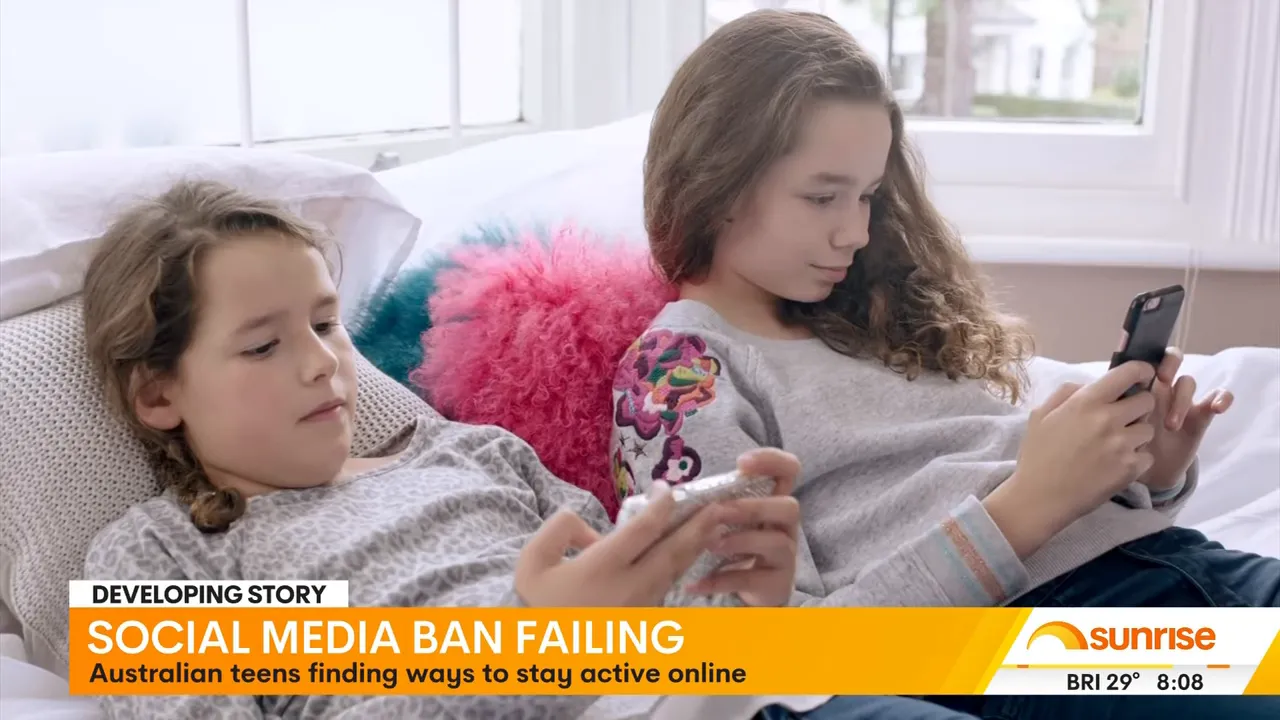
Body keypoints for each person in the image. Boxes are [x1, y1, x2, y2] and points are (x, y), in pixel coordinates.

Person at [79, 180, 981, 720]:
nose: (322, 364)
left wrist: (733, 591)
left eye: (324, 324)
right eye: (262, 345)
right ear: (158, 394)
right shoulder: (163, 555)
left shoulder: (474, 454)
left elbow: (639, 619)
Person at [609, 10, 1280, 719]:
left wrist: (1150, 474)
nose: (855, 231)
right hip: (1043, 636)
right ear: (715, 180)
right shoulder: (680, 375)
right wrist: (1028, 506)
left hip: (1175, 570)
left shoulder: (869, 315)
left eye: (867, 196)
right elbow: (777, 664)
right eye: (822, 197)